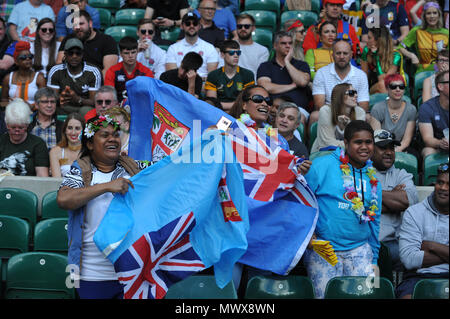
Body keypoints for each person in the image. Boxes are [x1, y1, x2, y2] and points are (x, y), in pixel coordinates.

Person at [57, 115, 152, 299]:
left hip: (133, 270)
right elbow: (64, 199)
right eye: (105, 135)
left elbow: (171, 166)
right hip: (92, 274)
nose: (112, 139)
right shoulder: (80, 170)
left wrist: (206, 140)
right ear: (91, 144)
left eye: (116, 135)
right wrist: (107, 186)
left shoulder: (135, 168)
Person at [304, 120, 381, 299]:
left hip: (361, 251)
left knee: (366, 297)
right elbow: (303, 202)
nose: (364, 147)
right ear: (345, 143)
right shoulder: (321, 166)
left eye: (368, 142)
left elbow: (375, 222)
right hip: (324, 250)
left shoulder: (373, 177)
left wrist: (374, 260)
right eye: (358, 142)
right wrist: (309, 235)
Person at [396, 163, 449, 299]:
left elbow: (417, 256)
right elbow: (408, 259)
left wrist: (432, 246)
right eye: (440, 182)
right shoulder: (414, 213)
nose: (443, 188)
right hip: (418, 277)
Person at [372, 129, 419, 270]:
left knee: (409, 254)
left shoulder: (402, 175)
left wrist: (373, 193)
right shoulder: (361, 173)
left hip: (392, 243)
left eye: (391, 148)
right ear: (371, 149)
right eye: (382, 148)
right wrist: (392, 197)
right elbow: (358, 202)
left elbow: (408, 201)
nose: (389, 152)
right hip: (365, 241)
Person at [311, 39, 370, 128]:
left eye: (345, 53)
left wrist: (347, 111)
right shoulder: (321, 73)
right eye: (338, 53)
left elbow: (363, 107)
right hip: (329, 113)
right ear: (332, 55)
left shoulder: (361, 75)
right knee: (315, 116)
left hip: (352, 112)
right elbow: (319, 105)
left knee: (367, 117)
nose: (342, 56)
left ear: (351, 55)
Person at [257, 31, 311, 115]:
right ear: (275, 46)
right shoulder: (266, 66)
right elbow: (265, 87)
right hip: (271, 109)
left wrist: (287, 62)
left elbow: (302, 82)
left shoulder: (302, 65)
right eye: (283, 43)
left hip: (297, 109)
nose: (288, 46)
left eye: (290, 43)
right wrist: (292, 86)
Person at [48, 38, 102, 116]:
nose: (74, 56)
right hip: (63, 107)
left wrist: (77, 99)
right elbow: (50, 98)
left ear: (82, 54)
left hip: (84, 107)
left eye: (78, 53)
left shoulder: (93, 72)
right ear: (65, 54)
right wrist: (62, 97)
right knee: (50, 108)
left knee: (86, 111)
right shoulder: (56, 70)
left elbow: (95, 102)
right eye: (70, 53)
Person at [57, 10, 119, 78]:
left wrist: (90, 83)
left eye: (81, 24)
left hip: (97, 84)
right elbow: (59, 64)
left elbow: (108, 71)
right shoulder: (68, 40)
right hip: (71, 82)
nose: (78, 27)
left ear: (90, 24)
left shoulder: (107, 41)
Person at [369, 74, 418, 156]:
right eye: (393, 86)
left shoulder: (411, 109)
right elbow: (377, 138)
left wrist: (396, 150)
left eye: (401, 86)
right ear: (387, 89)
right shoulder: (377, 108)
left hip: (402, 147)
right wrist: (389, 151)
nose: (398, 89)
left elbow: (406, 140)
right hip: (382, 147)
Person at [0, 98, 49, 176]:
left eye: (21, 127)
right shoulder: (1, 141)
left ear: (27, 125)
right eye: (13, 127)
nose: (17, 131)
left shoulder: (38, 144)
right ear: (7, 125)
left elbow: (42, 177)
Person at [311, 83, 366, 153]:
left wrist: (347, 125)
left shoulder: (359, 112)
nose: (356, 95)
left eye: (356, 93)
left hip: (352, 154)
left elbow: (359, 139)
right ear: (340, 96)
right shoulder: (326, 111)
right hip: (324, 153)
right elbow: (326, 143)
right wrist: (352, 145)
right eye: (351, 93)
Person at [397, 1, 448, 74]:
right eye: (428, 13)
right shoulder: (417, 31)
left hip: (442, 71)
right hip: (423, 71)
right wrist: (412, 55)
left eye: (434, 13)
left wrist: (445, 53)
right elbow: (400, 47)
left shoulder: (446, 33)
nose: (432, 16)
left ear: (439, 15)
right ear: (424, 16)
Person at [165, 11, 219, 79]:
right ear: (182, 26)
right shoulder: (173, 48)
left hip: (202, 86)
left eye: (195, 23)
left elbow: (212, 77)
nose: (191, 26)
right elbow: (171, 76)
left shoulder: (209, 48)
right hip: (180, 86)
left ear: (199, 26)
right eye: (188, 24)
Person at [205, 40, 254, 112]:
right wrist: (236, 105)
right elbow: (211, 104)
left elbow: (247, 102)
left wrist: (220, 105)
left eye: (238, 53)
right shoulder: (213, 75)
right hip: (218, 113)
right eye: (231, 53)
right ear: (222, 55)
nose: (236, 55)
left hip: (240, 114)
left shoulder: (248, 75)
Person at [105, 36, 154, 103]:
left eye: (133, 52)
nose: (130, 56)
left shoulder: (146, 72)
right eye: (126, 53)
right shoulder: (112, 71)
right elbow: (108, 96)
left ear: (137, 52)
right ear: (121, 54)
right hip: (117, 108)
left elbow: (150, 95)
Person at [0, 41, 46, 109]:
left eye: (30, 57)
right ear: (16, 61)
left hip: (33, 115)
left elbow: (44, 102)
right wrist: (12, 105)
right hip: (12, 114)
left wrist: (31, 106)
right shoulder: (8, 78)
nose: (27, 59)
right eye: (23, 57)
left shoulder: (39, 78)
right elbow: (3, 102)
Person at [361, 26, 403, 94]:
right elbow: (364, 76)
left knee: (382, 84)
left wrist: (377, 56)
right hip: (373, 86)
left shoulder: (396, 55)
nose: (367, 41)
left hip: (390, 87)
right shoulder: (366, 51)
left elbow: (385, 80)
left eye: (369, 38)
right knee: (381, 85)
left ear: (379, 40)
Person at [418, 70, 449, 158]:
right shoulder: (427, 107)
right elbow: (427, 139)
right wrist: (440, 143)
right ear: (440, 86)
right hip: (438, 146)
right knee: (428, 152)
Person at [49, 112, 85, 178]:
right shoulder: (55, 152)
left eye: (77, 128)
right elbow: (56, 181)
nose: (73, 132)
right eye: (70, 128)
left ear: (84, 131)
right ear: (65, 130)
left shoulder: (90, 151)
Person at [235, 14, 269, 80]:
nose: (243, 29)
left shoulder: (262, 50)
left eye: (246, 26)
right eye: (239, 26)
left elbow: (260, 74)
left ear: (253, 28)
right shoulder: (227, 47)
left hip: (252, 86)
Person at [0, 17, 13, 84]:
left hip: (5, 86)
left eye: (0, 29)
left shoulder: (13, 44)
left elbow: (4, 65)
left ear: (5, 29)